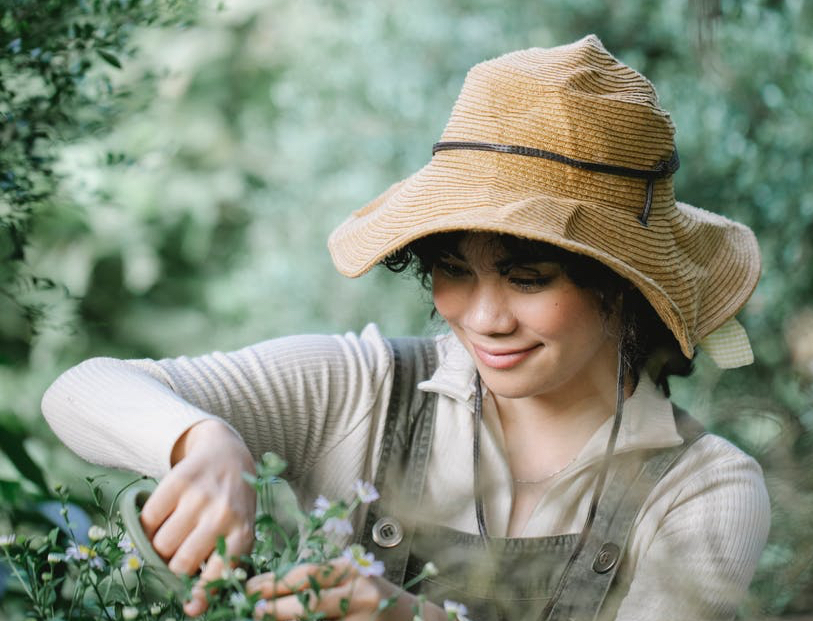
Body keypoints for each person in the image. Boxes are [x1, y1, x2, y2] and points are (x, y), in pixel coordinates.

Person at [42, 35, 770, 620]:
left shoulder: (702, 489)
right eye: (454, 270)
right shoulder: (361, 389)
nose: (481, 318)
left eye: (526, 278)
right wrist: (203, 442)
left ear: (621, 284)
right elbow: (82, 391)